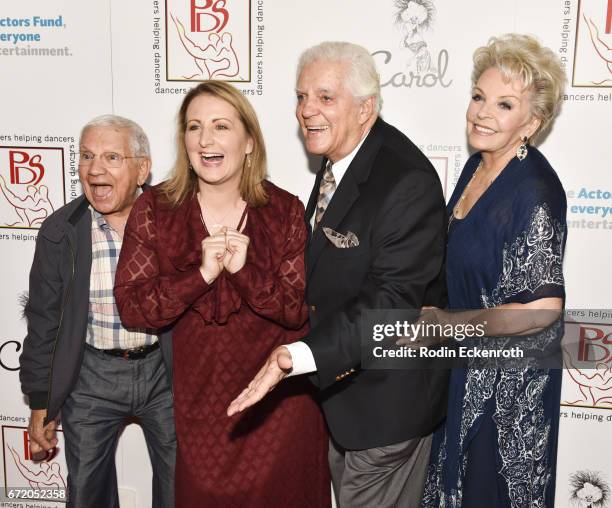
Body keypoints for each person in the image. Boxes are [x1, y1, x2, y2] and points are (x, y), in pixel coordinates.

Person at [228, 41, 448, 508]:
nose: (307, 110)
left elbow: (391, 307)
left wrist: (299, 356)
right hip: (346, 400)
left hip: (387, 410)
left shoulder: (404, 180)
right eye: (302, 96)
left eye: (325, 98)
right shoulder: (342, 160)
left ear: (366, 107)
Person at [114, 81, 330, 507]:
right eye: (194, 128)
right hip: (202, 410)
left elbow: (295, 310)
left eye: (220, 126)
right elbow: (133, 307)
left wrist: (245, 272)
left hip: (280, 407)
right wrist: (201, 275)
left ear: (249, 141)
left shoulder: (283, 210)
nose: (206, 140)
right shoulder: (156, 209)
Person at [418, 34, 568, 507]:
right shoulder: (475, 168)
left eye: (504, 105)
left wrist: (446, 325)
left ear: (531, 123)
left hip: (508, 392)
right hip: (464, 371)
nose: (482, 112)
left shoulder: (535, 191)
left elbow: (539, 312)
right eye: (479, 97)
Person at [19, 115, 176, 508]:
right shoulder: (60, 231)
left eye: (111, 157)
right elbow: (43, 322)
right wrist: (42, 402)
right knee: (86, 492)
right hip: (91, 378)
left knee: (181, 488)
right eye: (87, 156)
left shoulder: (177, 222)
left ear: (142, 169)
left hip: (165, 374)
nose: (95, 169)